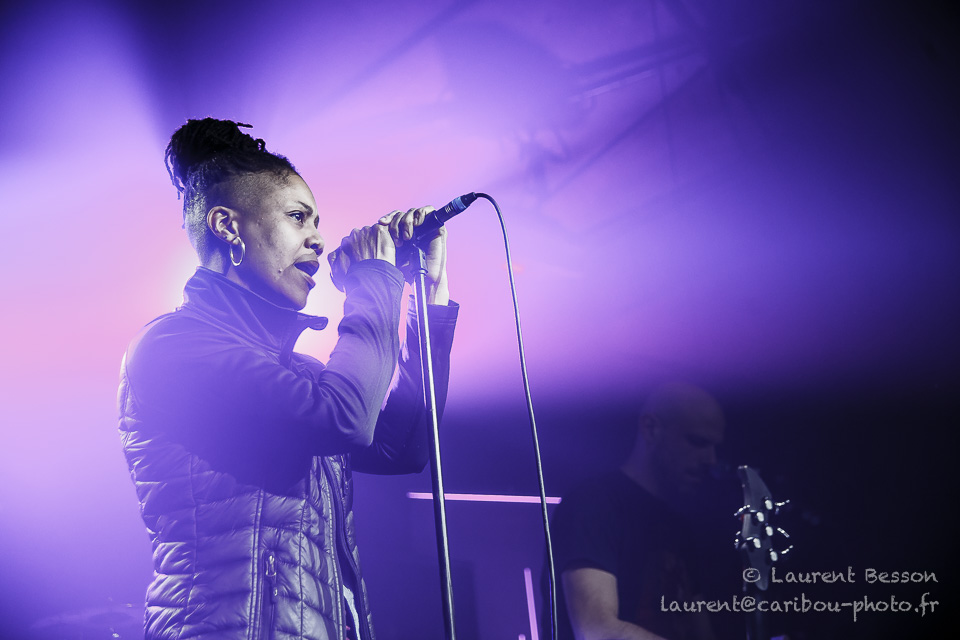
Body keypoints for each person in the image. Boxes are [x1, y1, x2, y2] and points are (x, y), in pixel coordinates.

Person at [117, 118, 458, 640]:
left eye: (317, 222)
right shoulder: (174, 347)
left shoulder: (299, 374)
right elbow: (343, 421)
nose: (318, 239)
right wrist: (371, 283)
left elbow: (401, 448)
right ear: (227, 226)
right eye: (298, 217)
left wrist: (426, 294)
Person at [548, 382, 726, 640]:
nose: (711, 459)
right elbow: (597, 631)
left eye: (714, 446)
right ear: (650, 428)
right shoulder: (594, 503)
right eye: (697, 442)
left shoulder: (680, 527)